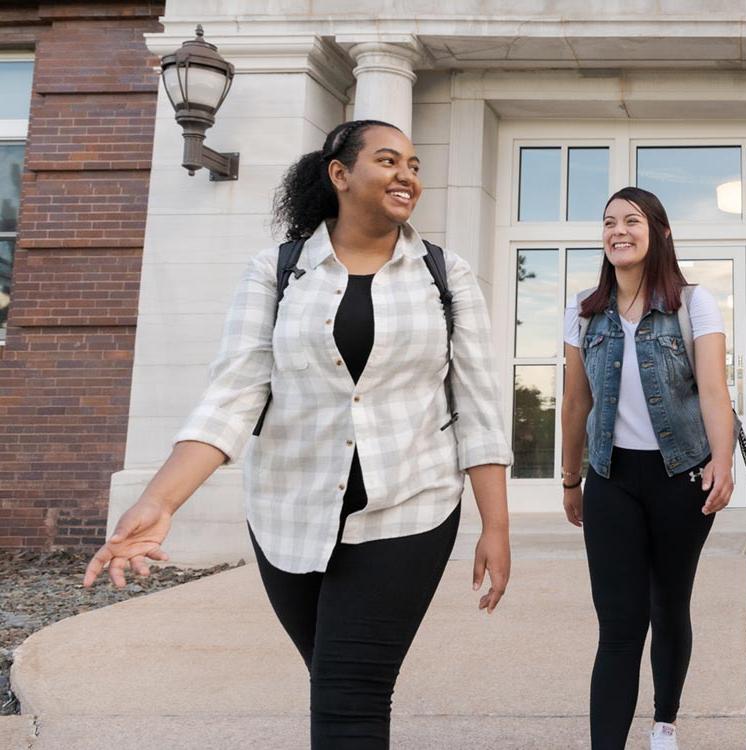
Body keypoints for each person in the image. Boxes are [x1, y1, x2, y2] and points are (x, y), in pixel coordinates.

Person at [83, 119, 515, 749]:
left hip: (409, 509)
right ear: (339, 175)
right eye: (390, 161)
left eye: (415, 166)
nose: (407, 177)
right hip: (287, 513)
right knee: (336, 682)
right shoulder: (278, 271)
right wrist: (160, 500)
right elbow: (233, 396)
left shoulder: (445, 277)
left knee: (350, 695)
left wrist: (495, 527)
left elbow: (478, 405)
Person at [558, 186, 736, 750]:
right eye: (609, 222)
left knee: (668, 603)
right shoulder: (583, 310)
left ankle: (664, 722)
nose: (618, 231)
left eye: (631, 221)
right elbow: (574, 402)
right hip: (612, 481)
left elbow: (713, 391)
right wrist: (570, 478)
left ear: (659, 232)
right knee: (618, 626)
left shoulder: (692, 303)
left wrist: (723, 462)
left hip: (681, 478)